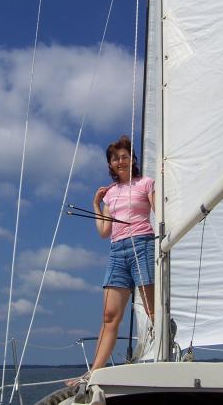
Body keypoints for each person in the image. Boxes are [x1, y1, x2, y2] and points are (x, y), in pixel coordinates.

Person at [67, 135, 155, 387]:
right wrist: (96, 203)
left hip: (142, 244)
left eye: (124, 156)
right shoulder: (110, 194)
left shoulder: (146, 183)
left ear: (132, 159)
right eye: (115, 158)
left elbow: (159, 212)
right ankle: (93, 373)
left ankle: (170, 358)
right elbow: (104, 231)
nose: (120, 161)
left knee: (152, 311)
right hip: (117, 251)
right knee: (108, 316)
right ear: (111, 164)